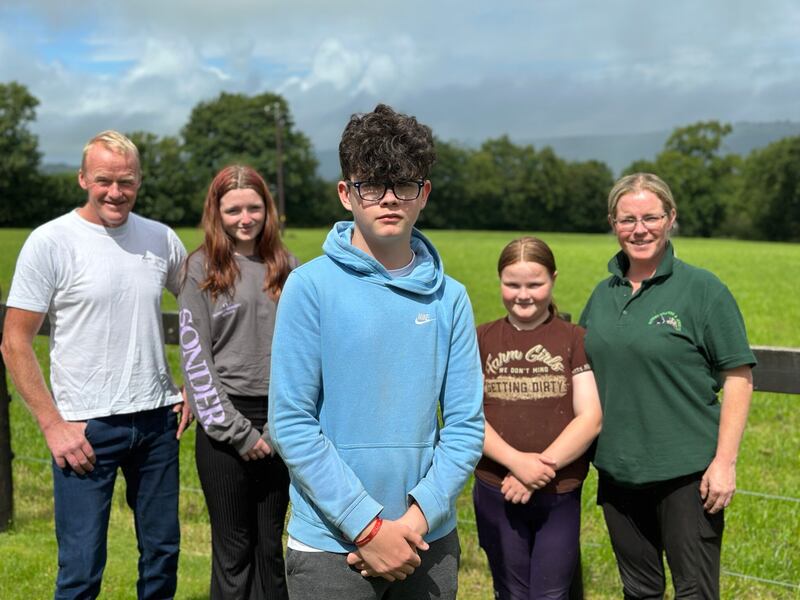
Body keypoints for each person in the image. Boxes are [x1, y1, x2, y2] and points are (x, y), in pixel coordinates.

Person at [267, 103, 485, 600]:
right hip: (330, 545)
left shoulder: (450, 297)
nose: (388, 199)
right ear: (347, 193)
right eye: (371, 185)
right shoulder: (309, 287)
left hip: (425, 540)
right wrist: (367, 528)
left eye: (404, 184)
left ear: (423, 194)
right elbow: (292, 422)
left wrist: (417, 517)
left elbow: (467, 425)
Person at [0, 130, 189, 599]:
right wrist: (52, 425)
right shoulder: (51, 242)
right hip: (83, 429)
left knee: (163, 555)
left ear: (139, 181)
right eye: (104, 179)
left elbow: (199, 313)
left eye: (126, 181)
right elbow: (14, 342)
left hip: (157, 423)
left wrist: (195, 388)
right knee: (82, 567)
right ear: (83, 178)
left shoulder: (160, 239)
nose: (115, 192)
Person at [579, 173, 756, 599]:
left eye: (650, 217)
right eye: (627, 220)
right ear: (613, 224)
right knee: (639, 591)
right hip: (619, 473)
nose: (639, 229)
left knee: (694, 591)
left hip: (687, 474)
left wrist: (725, 463)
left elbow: (738, 377)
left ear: (670, 218)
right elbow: (578, 375)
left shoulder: (703, 290)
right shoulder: (603, 296)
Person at [178, 165, 295, 599]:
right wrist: (239, 433)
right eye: (233, 210)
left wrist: (277, 428)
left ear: (268, 210)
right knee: (234, 550)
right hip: (223, 426)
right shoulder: (200, 269)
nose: (245, 218)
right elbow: (196, 359)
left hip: (280, 421)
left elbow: (303, 357)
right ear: (216, 212)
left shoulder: (288, 269)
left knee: (271, 548)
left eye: (254, 207)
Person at [473, 237, 602, 600]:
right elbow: (466, 416)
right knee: (511, 591)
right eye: (512, 284)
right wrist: (516, 464)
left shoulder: (574, 339)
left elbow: (590, 417)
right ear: (499, 281)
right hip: (496, 488)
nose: (523, 294)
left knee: (552, 594)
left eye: (535, 284)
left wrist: (539, 469)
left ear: (553, 279)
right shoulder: (481, 339)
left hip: (557, 491)